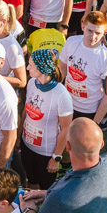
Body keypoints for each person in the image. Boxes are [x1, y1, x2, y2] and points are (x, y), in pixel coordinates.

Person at [21, 48, 74, 190]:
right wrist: (19, 137)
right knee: (31, 184)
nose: (27, 67)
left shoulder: (61, 95)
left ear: (42, 68)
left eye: (31, 65)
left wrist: (56, 157)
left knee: (45, 190)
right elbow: (25, 112)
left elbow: (65, 129)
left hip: (46, 153)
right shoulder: (32, 82)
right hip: (27, 146)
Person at [59, 12, 107, 128]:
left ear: (105, 33)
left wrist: (95, 123)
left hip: (88, 111)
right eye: (90, 31)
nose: (93, 37)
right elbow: (62, 68)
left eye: (98, 33)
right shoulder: (71, 42)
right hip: (66, 104)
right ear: (82, 27)